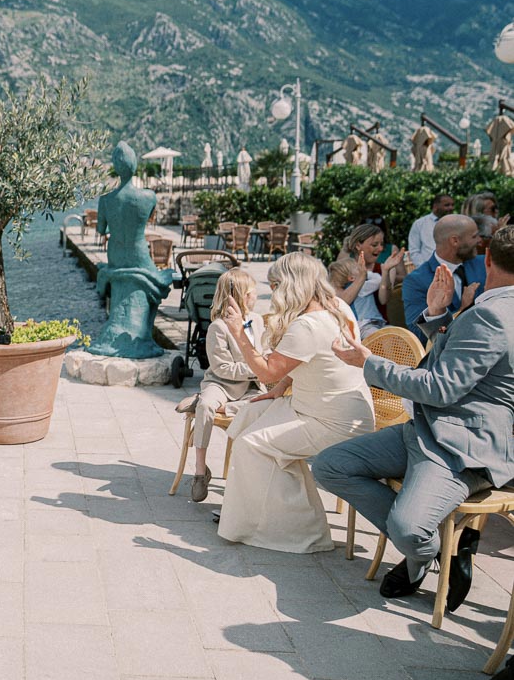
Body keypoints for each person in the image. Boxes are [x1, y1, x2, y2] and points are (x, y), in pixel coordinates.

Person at [316, 225, 514, 613]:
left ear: (487, 257)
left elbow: (440, 388)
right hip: (426, 429)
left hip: (458, 445)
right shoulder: (491, 308)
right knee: (330, 465)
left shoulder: (492, 314)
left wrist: (368, 362)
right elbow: (455, 362)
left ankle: (430, 550)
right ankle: (428, 546)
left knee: (409, 529)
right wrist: (439, 315)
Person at [215, 252, 376, 553]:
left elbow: (265, 371)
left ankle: (299, 530)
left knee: (251, 445)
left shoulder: (308, 325)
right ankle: (248, 510)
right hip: (330, 407)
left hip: (333, 421)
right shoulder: (338, 305)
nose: (273, 292)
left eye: (275, 285)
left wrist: (239, 333)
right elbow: (304, 364)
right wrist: (279, 390)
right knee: (251, 413)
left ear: (291, 285)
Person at [175, 268, 264, 502]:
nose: (257, 297)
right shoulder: (218, 327)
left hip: (251, 387)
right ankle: (200, 472)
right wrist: (257, 368)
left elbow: (263, 352)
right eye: (253, 292)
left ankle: (213, 406)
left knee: (264, 404)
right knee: (206, 406)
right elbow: (223, 368)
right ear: (243, 296)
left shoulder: (258, 321)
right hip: (222, 384)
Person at [401, 213, 485, 338]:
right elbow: (418, 335)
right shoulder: (415, 281)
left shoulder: (484, 263)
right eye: (474, 236)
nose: (480, 241)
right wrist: (461, 312)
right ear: (454, 241)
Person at [334, 224, 404, 337]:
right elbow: (341, 302)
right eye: (374, 244)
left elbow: (383, 300)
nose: (380, 248)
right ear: (358, 245)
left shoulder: (386, 268)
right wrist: (361, 277)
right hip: (348, 330)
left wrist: (385, 271)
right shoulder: (343, 269)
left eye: (382, 244)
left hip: (379, 327)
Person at [407, 193, 454, 267]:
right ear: (435, 206)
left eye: (452, 205)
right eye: (447, 205)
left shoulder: (456, 223)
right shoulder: (420, 224)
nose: (451, 208)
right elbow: (414, 251)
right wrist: (426, 268)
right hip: (428, 271)